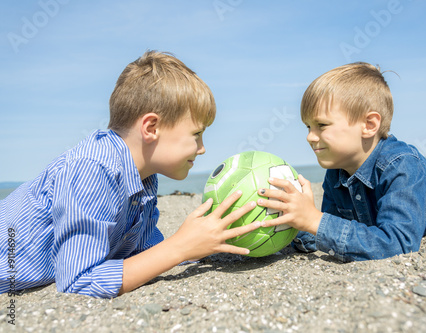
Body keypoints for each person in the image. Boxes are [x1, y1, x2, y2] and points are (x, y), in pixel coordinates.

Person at [0, 51, 260, 298]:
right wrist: (180, 247)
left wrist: (210, 238)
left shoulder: (144, 178)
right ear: (151, 127)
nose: (202, 149)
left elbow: (146, 252)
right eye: (196, 134)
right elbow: (78, 281)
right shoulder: (93, 168)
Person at [257, 62, 426, 262]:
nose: (310, 136)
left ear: (369, 125)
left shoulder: (402, 165)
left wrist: (314, 220)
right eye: (308, 127)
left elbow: (398, 243)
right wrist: (295, 221)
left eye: (321, 125)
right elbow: (338, 231)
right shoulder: (336, 172)